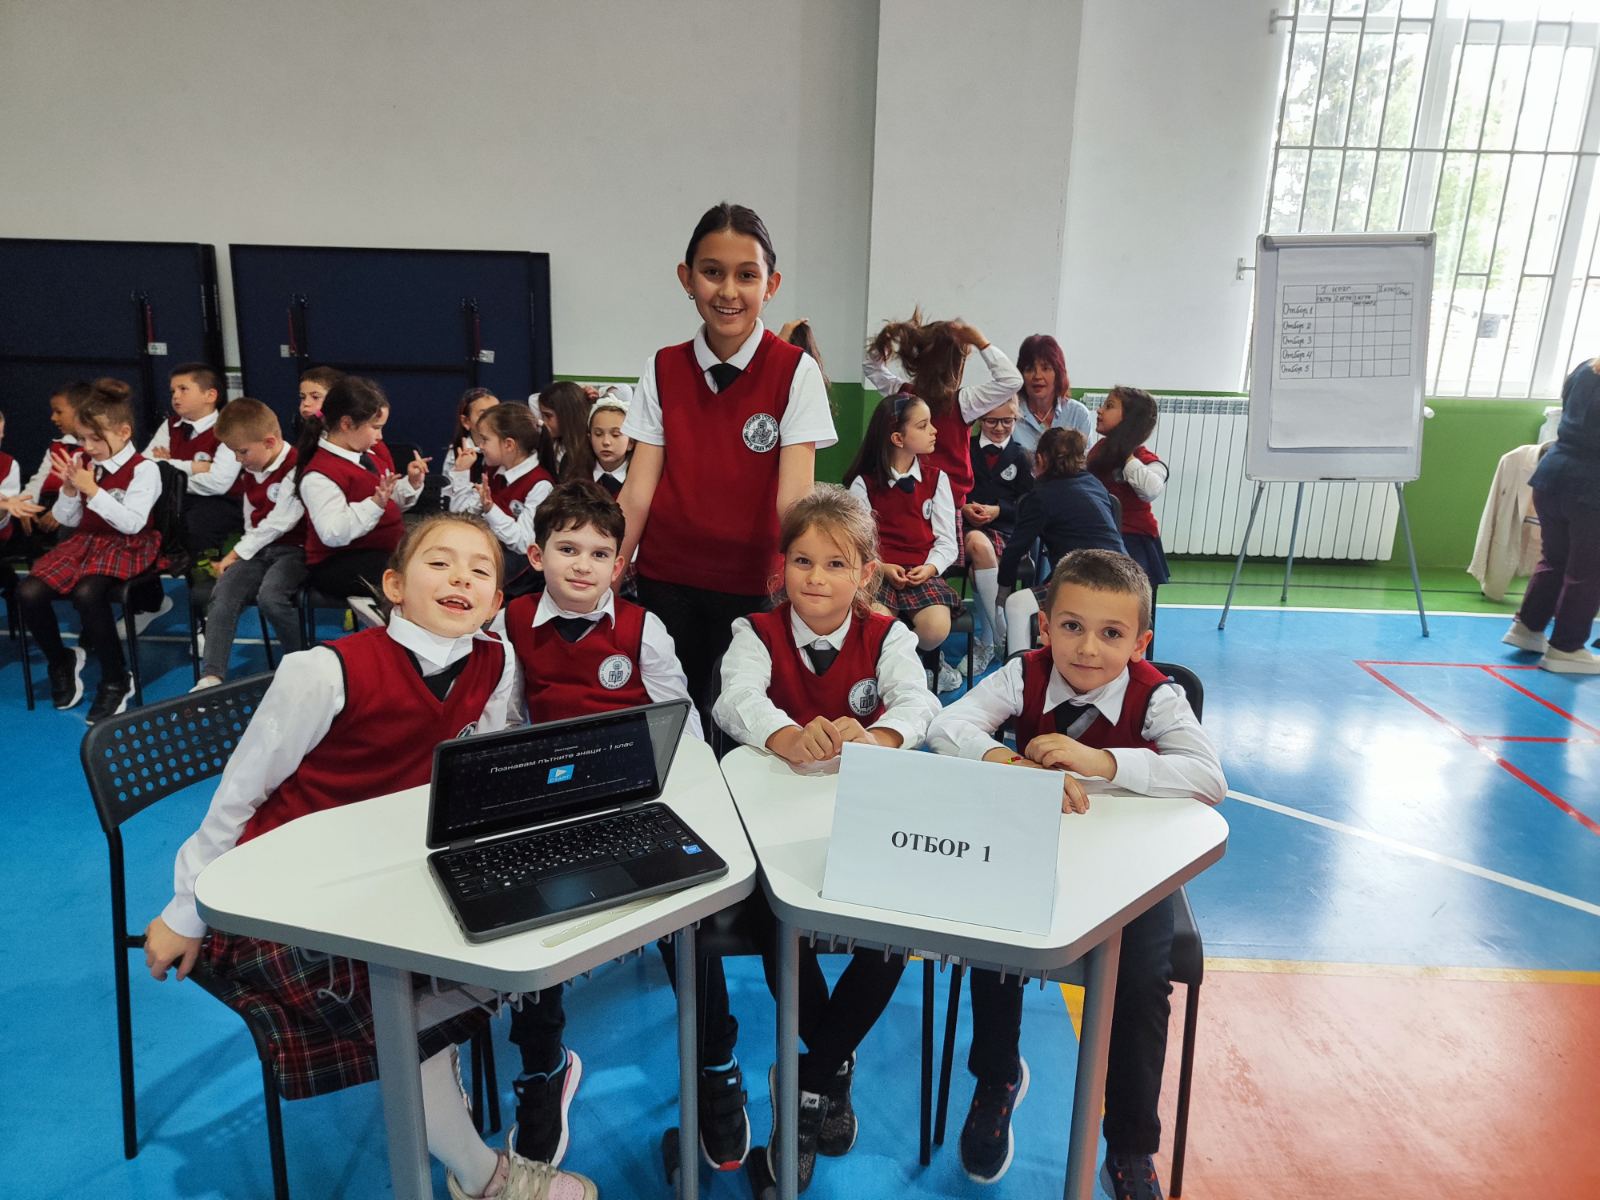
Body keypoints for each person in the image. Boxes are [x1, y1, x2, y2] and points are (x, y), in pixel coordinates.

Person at [142, 514, 598, 1200]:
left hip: (384, 874)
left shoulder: (495, 661)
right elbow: (238, 797)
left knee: (515, 939)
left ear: (496, 602)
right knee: (398, 1004)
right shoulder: (323, 671)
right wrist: (187, 911)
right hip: (280, 892)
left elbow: (475, 768)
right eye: (439, 563)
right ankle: (483, 1176)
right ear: (394, 586)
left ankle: (438, 1073)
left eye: (480, 570)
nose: (461, 578)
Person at [926, 549, 1224, 1199]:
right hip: (1031, 850)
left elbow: (1209, 778)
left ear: (1140, 642)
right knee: (993, 938)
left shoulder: (1157, 695)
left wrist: (1102, 762)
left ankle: (1130, 1144)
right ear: (1045, 627)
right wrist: (1010, 762)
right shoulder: (1023, 673)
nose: (1088, 648)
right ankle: (998, 1076)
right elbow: (947, 725)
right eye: (1071, 627)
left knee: (1141, 982)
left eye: (1111, 633)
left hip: (1132, 871)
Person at [712, 484, 938, 1190]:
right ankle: (830, 1072)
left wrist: (879, 736)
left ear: (865, 574)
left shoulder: (888, 635)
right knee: (775, 916)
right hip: (772, 822)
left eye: (836, 564)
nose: (816, 578)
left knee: (896, 923)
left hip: (861, 817)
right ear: (782, 566)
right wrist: (783, 734)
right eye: (803, 561)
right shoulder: (755, 631)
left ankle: (806, 1080)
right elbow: (735, 698)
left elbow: (918, 701)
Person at [497, 482, 697, 1166]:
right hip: (548, 803)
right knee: (533, 926)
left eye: (599, 553)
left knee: (683, 909)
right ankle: (543, 1067)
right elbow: (505, 718)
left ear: (619, 564)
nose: (582, 564)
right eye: (567, 549)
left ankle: (715, 1061)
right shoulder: (511, 621)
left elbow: (679, 723)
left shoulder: (643, 628)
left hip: (632, 800)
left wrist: (683, 795)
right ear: (537, 555)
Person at [618, 202, 836, 723]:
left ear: (771, 285)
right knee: (673, 715)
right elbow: (638, 490)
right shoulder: (662, 366)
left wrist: (806, 574)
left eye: (747, 275)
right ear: (687, 278)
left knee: (745, 718)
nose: (729, 291)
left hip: (754, 584)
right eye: (712, 272)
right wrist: (611, 566)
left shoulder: (795, 371)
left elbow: (795, 500)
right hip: (667, 579)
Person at [14, 379, 163, 721]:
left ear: (124, 432)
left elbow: (132, 523)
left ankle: (116, 679)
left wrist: (93, 491)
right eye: (82, 439)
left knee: (87, 593)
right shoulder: (83, 462)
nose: (88, 447)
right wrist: (69, 490)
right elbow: (69, 518)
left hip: (128, 543)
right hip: (86, 540)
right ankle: (60, 661)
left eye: (96, 439)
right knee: (29, 591)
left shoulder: (145, 469)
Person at [845, 393, 961, 691]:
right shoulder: (864, 483)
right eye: (923, 426)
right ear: (898, 438)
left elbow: (947, 542)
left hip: (921, 571)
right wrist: (881, 567)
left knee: (935, 628)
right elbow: (858, 543)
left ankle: (925, 664)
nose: (934, 430)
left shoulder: (937, 479)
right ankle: (889, 677)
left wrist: (930, 568)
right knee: (877, 624)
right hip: (878, 571)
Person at [190, 398, 308, 688]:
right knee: (223, 594)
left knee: (271, 598)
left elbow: (281, 521)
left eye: (242, 451)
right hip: (258, 549)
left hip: (296, 550)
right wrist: (243, 552)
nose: (238, 459)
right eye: (233, 452)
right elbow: (251, 519)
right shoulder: (251, 470)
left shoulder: (298, 466)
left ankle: (303, 664)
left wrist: (236, 553)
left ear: (269, 442)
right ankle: (211, 676)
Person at [862, 309, 1021, 513]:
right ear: (958, 365)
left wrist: (884, 341)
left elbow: (871, 367)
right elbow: (1012, 381)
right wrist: (981, 343)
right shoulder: (964, 402)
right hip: (947, 504)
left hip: (909, 498)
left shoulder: (903, 394)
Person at [1502, 357, 1600, 673]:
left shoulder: (1586, 367)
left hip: (1553, 476)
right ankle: (1566, 649)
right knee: (1587, 571)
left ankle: (1528, 628)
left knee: (1555, 559)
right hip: (1590, 488)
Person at [294, 376, 424, 603]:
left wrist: (411, 484)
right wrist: (374, 504)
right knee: (411, 581)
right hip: (339, 561)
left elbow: (389, 503)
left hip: (379, 551)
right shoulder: (319, 475)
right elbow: (333, 533)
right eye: (375, 428)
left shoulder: (372, 452)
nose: (380, 436)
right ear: (346, 424)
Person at [1000, 427, 1127, 658]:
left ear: (1040, 459)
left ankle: (1020, 672)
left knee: (1016, 604)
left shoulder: (1040, 496)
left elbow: (1015, 549)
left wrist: (1003, 588)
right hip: (1124, 579)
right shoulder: (1094, 483)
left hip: (1087, 580)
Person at [1086, 387, 1169, 631]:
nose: (1099, 410)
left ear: (1129, 420)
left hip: (1133, 542)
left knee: (1130, 610)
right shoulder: (1098, 451)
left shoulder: (1145, 459)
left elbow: (1151, 488)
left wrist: (1125, 452)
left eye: (1109, 406)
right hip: (1098, 538)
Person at [453, 403, 556, 596]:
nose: (480, 446)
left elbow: (524, 543)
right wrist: (461, 473)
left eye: (485, 439)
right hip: (489, 555)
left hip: (519, 577)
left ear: (508, 444)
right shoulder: (493, 470)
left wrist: (490, 510)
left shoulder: (540, 484)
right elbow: (459, 514)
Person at [963, 396, 1034, 671]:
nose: (1000, 427)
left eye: (1008, 421)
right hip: (967, 528)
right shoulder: (965, 449)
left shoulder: (1023, 456)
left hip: (1006, 532)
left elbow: (1029, 504)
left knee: (978, 564)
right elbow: (950, 490)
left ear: (1016, 420)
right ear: (980, 419)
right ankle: (1002, 632)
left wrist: (999, 510)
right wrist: (964, 507)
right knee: (977, 543)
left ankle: (987, 639)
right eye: (992, 421)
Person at [144, 362, 243, 556]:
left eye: (183, 389)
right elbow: (145, 465)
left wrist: (168, 472)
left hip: (219, 501)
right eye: (173, 391)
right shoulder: (170, 425)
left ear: (210, 396)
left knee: (195, 525)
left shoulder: (229, 428)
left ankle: (198, 570)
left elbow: (218, 483)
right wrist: (194, 467)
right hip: (174, 497)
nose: (175, 396)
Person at [1011, 334, 1091, 457]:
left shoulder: (1078, 414)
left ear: (1058, 373)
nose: (1037, 376)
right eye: (1029, 369)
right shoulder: (1011, 414)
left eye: (1045, 368)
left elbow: (1084, 463)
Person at [442, 387, 501, 509]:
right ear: (466, 421)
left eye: (498, 412)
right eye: (483, 414)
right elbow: (451, 504)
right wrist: (461, 471)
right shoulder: (457, 452)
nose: (493, 420)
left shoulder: (508, 450)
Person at [537, 382, 595, 483]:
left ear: (567, 415)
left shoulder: (591, 449)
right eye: (542, 416)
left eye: (548, 416)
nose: (543, 422)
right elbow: (532, 399)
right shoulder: (550, 443)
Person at [587, 393, 632, 498]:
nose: (606, 442)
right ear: (589, 438)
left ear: (631, 442)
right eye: (598, 434)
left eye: (615, 435)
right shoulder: (578, 476)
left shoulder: (640, 479)